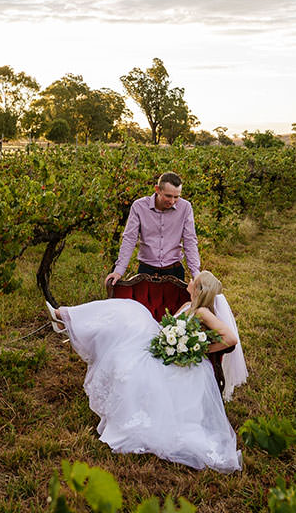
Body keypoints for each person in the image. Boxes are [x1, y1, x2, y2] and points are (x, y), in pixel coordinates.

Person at [47, 271, 247, 472]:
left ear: (199, 288)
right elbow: (168, 327)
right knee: (128, 312)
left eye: (195, 280)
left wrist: (198, 350)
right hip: (161, 344)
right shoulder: (188, 305)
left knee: (129, 349)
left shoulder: (203, 312)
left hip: (175, 362)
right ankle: (67, 318)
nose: (190, 280)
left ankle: (65, 318)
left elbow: (230, 339)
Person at [105, 171, 200, 321]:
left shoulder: (186, 207)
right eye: (168, 196)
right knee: (143, 318)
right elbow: (129, 239)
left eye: (177, 197)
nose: (173, 201)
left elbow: (190, 241)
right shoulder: (139, 206)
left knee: (174, 321)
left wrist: (196, 274)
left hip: (174, 271)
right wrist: (118, 271)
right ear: (157, 190)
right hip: (146, 272)